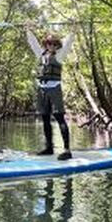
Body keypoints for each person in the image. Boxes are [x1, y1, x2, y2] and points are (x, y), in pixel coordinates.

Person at [26, 25, 74, 160]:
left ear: (57, 45)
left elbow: (69, 43)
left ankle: (67, 150)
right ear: (45, 44)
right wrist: (28, 29)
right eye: (48, 43)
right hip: (42, 89)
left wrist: (73, 29)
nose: (51, 45)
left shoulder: (59, 55)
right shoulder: (40, 54)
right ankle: (49, 147)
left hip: (54, 89)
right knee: (45, 118)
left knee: (59, 118)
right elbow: (33, 42)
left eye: (53, 43)